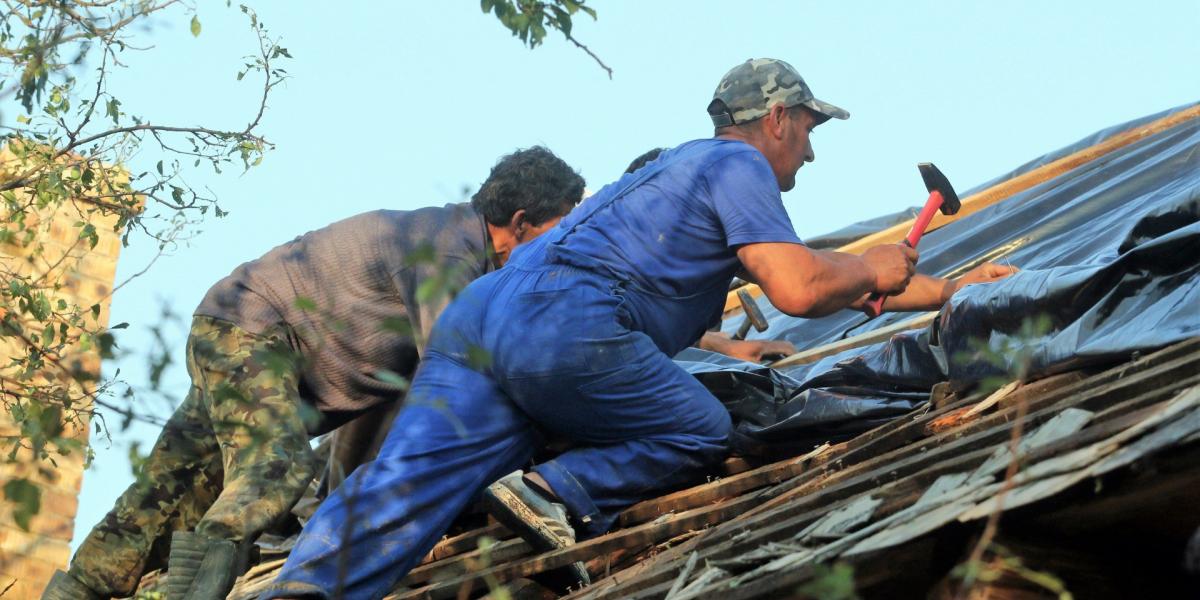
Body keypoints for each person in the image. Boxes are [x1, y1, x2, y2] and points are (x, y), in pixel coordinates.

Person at [261, 58, 1016, 599]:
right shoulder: (737, 167)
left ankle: (300, 590)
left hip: (484, 317)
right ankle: (553, 491)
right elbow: (798, 285)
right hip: (564, 322)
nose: (811, 150)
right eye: (810, 129)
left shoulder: (659, 179)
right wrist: (871, 267)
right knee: (699, 423)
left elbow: (826, 279)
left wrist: (947, 285)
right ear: (775, 119)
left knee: (405, 484)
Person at [43, 147, 586, 600]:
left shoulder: (444, 236)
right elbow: (456, 376)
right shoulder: (448, 252)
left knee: (173, 485)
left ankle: (80, 589)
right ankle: (196, 591)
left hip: (235, 325)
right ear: (520, 223)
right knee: (275, 470)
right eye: (558, 229)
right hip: (255, 332)